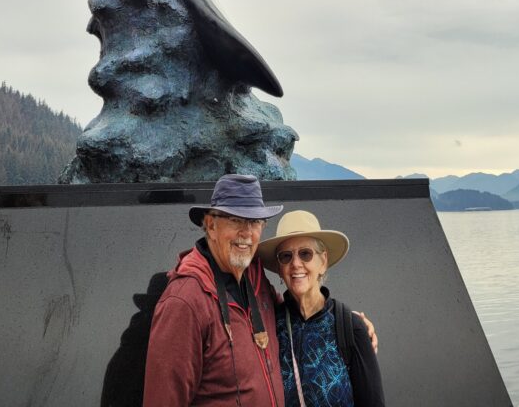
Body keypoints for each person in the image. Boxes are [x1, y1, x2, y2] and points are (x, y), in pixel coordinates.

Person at [143, 174, 285, 407]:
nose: (247, 233)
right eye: (235, 220)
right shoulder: (185, 301)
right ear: (210, 225)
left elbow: (293, 321)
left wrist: (349, 326)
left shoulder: (256, 279)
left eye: (255, 222)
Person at [258, 211, 386, 407]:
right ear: (280, 269)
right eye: (286, 256)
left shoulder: (350, 327)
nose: (296, 264)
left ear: (323, 261)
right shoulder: (271, 326)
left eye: (305, 254)